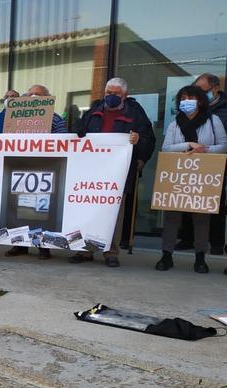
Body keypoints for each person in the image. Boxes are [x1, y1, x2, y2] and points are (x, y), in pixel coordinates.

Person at [72, 77, 155, 268]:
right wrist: (77, 129)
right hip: (91, 171)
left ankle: (111, 251)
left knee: (115, 212)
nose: (111, 96)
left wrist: (138, 140)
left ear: (125, 95)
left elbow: (149, 140)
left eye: (116, 94)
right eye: (109, 93)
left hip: (119, 172)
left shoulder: (135, 113)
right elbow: (80, 130)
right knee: (87, 208)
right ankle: (86, 250)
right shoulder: (94, 110)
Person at [154, 85, 227, 273]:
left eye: (191, 97)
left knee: (202, 218)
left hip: (202, 176)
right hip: (178, 176)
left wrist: (204, 150)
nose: (186, 101)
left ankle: (200, 258)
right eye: (183, 97)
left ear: (201, 100)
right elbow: (166, 148)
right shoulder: (174, 124)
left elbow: (223, 146)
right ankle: (166, 255)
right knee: (171, 217)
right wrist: (188, 145)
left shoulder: (213, 121)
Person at [0, 84, 68, 260]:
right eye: (30, 94)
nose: (33, 97)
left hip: (45, 170)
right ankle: (19, 245)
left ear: (47, 98)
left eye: (38, 94)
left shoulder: (56, 119)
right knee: (17, 209)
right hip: (19, 169)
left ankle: (43, 246)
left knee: (41, 211)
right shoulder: (14, 118)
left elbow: (63, 142)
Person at [179, 73, 227, 255]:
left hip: (216, 162)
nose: (198, 96)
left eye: (202, 91)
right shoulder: (193, 109)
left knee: (214, 202)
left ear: (215, 89)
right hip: (190, 161)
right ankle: (188, 238)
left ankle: (217, 243)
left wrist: (222, 155)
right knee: (188, 198)